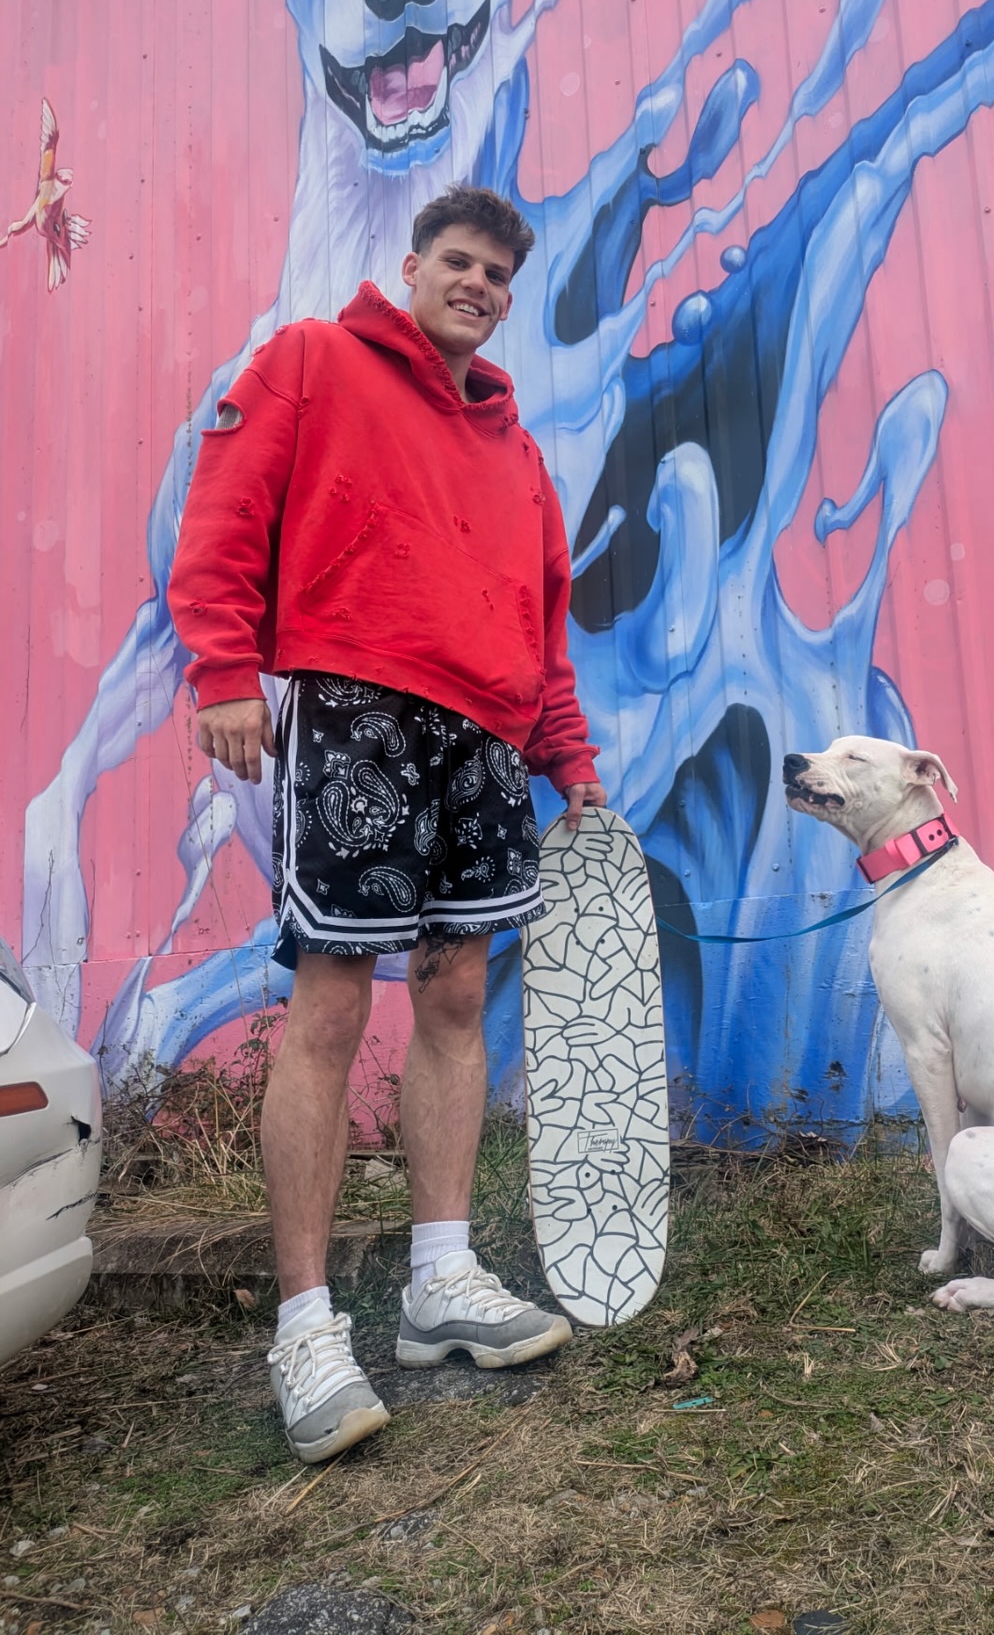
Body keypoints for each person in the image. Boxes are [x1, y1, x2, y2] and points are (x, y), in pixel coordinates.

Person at [169, 184, 606, 1464]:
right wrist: (221, 673)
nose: (478, 285)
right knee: (332, 1002)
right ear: (412, 267)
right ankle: (306, 1327)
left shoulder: (518, 453)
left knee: (460, 993)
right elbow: (226, 508)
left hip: (480, 737)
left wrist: (567, 758)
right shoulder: (314, 358)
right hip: (355, 704)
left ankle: (438, 1280)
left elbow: (543, 620)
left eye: (498, 276)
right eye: (459, 262)